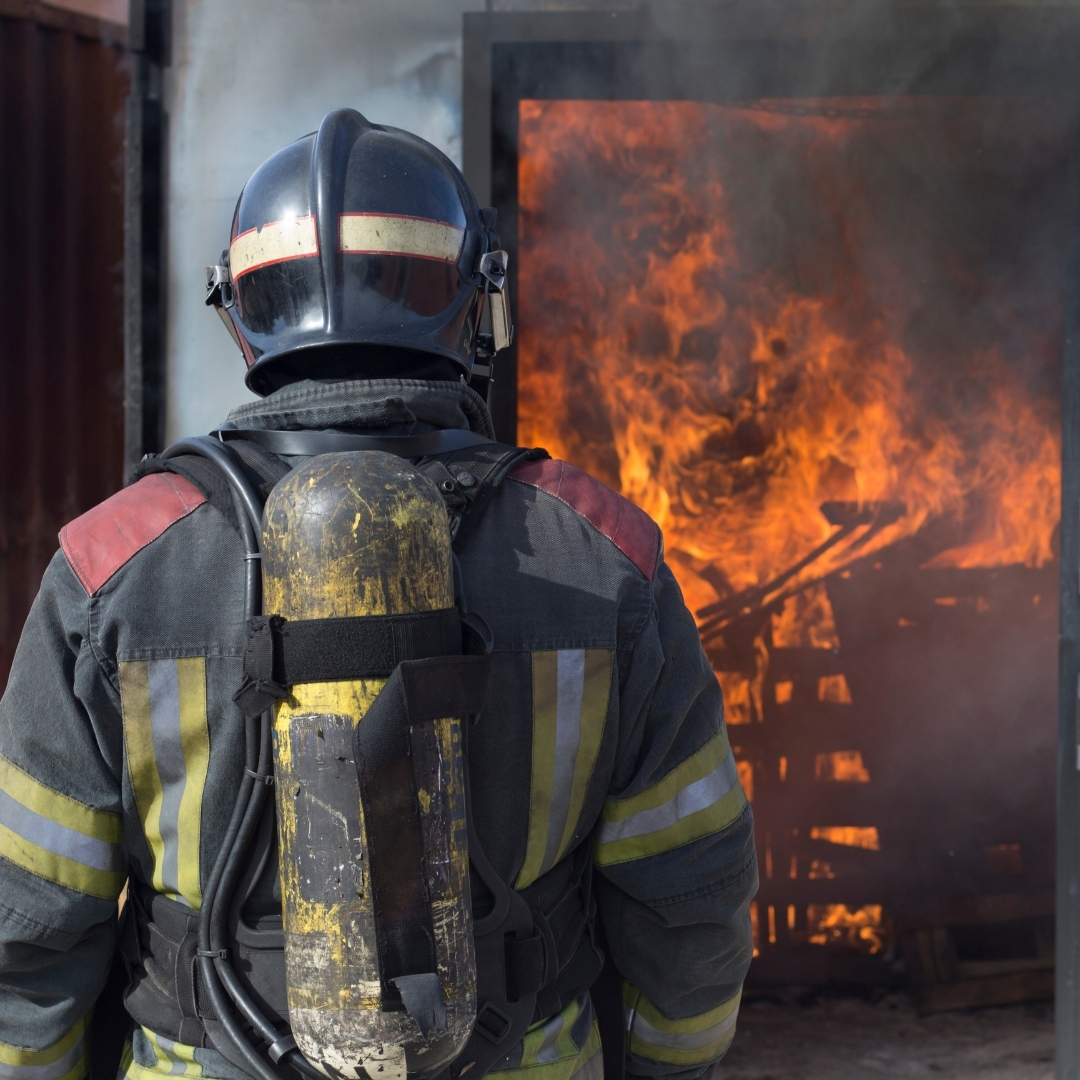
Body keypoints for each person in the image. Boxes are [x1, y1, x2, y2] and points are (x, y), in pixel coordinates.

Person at [0, 109, 756, 1080]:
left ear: (243, 309)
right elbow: (692, 888)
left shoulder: (114, 566)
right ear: (472, 299)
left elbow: (26, 922)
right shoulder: (603, 558)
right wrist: (669, 1067)